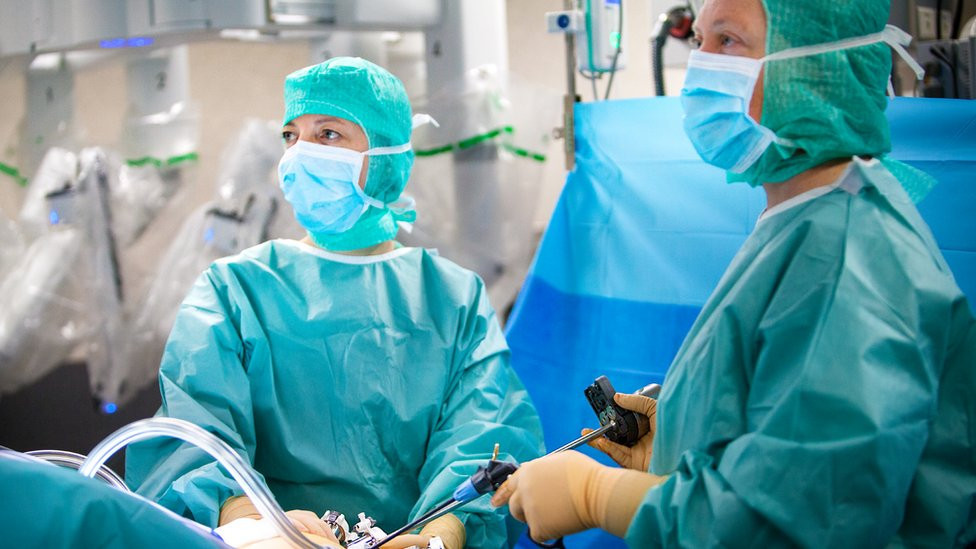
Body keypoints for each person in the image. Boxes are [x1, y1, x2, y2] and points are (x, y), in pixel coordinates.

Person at [491, 0, 976, 547]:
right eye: (698, 41)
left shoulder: (846, 263)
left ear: (816, 67)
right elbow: (784, 430)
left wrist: (595, 496)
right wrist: (681, 447)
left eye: (728, 42)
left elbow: (801, 520)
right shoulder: (807, 220)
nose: (702, 68)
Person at [126, 57, 545, 549]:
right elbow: (195, 433)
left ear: (387, 155)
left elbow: (479, 433)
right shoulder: (233, 290)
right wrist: (253, 520)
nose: (300, 153)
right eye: (290, 135)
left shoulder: (454, 299)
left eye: (327, 135)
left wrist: (442, 533)